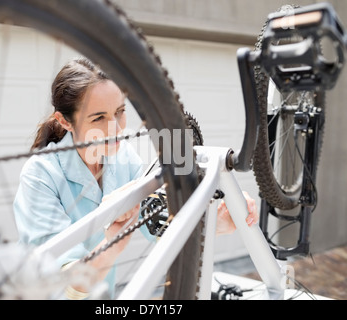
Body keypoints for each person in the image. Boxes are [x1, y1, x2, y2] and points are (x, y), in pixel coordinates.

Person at [13, 57, 258, 299]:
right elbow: (63, 284)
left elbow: (157, 221)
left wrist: (217, 218)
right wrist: (113, 245)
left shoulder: (123, 159)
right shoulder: (39, 175)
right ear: (64, 121)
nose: (116, 129)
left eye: (119, 112)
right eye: (98, 118)